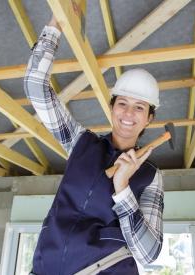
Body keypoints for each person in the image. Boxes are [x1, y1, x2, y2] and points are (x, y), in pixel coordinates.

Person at [24, 15, 164, 274]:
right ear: (111, 108)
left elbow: (149, 253)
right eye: (122, 103)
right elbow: (35, 87)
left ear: (149, 118)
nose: (128, 114)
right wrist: (57, 23)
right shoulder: (80, 143)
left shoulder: (150, 176)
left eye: (139, 107)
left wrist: (122, 189)